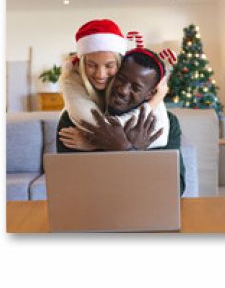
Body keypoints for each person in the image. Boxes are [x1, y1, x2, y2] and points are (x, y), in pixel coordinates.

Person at [58, 48, 186, 195]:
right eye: (121, 79)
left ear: (150, 93)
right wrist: (128, 150)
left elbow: (175, 189)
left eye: (136, 87)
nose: (123, 90)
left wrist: (123, 149)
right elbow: (70, 187)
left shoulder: (168, 123)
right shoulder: (72, 120)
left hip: (145, 211)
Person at [57, 19, 169, 152]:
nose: (100, 74)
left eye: (109, 65)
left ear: (120, 65)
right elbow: (68, 171)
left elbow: (172, 170)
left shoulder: (165, 118)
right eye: (92, 65)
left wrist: (94, 144)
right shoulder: (69, 120)